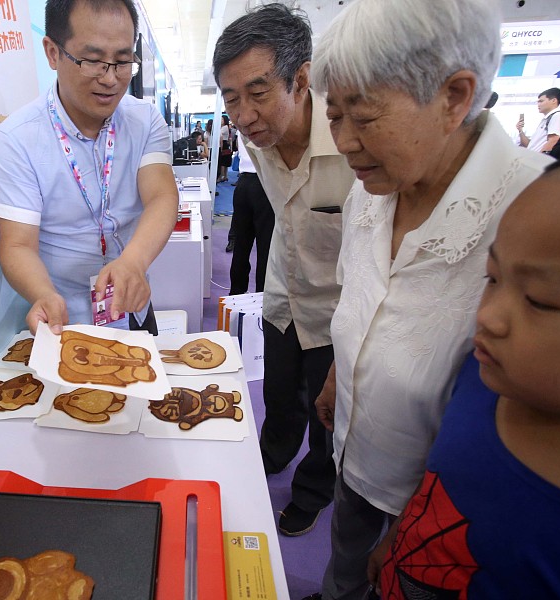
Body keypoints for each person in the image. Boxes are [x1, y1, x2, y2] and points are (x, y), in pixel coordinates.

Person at [309, 0, 552, 598]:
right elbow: (363, 294)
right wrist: (343, 369)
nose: (343, 142)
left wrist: (424, 520)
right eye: (333, 116)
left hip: (452, 507)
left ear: (454, 96)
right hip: (358, 449)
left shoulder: (542, 213)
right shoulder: (373, 189)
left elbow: (542, 411)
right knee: (346, 561)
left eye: (363, 118)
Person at [373, 145, 560, 599]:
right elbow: (437, 488)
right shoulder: (480, 377)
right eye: (493, 278)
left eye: (540, 300)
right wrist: (394, 539)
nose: (488, 317)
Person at [214, 3, 355, 538]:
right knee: (277, 394)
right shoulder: (257, 139)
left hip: (338, 317)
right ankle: (272, 454)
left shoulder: (352, 145)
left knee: (327, 420)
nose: (244, 115)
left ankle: (313, 492)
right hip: (281, 299)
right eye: (231, 99)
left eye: (257, 92)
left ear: (300, 80)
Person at [0, 0, 178, 335]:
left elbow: (162, 197)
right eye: (92, 61)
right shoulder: (18, 139)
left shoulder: (145, 120)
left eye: (122, 62)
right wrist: (42, 294)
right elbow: (17, 244)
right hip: (63, 320)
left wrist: (133, 261)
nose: (110, 79)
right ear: (52, 52)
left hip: (132, 306)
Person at [227, 127, 274, 294]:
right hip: (264, 183)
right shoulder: (267, 123)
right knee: (265, 246)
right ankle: (263, 297)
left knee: (241, 244)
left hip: (243, 183)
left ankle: (236, 294)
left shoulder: (242, 124)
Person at [516, 87, 560, 153]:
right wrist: (520, 130)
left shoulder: (558, 115)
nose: (538, 104)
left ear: (553, 100)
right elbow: (531, 145)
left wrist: (539, 159)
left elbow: (553, 140)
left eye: (541, 101)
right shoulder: (547, 119)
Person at [218, 114, 232, 182]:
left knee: (223, 162)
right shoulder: (225, 127)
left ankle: (222, 176)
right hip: (225, 144)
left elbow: (219, 133)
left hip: (224, 144)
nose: (220, 121)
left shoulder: (224, 127)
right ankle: (225, 176)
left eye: (222, 119)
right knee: (225, 161)